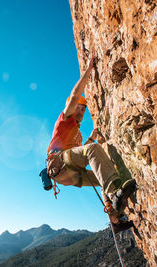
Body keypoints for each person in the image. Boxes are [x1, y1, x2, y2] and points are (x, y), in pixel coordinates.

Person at [46, 56, 137, 232]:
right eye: (78, 107)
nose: (80, 110)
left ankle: (114, 219)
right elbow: (74, 96)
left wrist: (92, 136)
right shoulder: (64, 120)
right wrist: (88, 69)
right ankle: (114, 194)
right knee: (94, 151)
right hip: (59, 163)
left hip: (68, 173)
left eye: (83, 108)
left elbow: (78, 153)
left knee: (107, 173)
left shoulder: (78, 135)